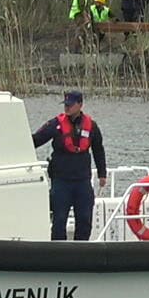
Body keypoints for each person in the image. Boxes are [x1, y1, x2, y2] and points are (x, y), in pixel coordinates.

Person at [31, 90, 108, 241]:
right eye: (65, 104)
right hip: (61, 181)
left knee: (85, 219)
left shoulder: (91, 126)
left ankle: (82, 250)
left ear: (80, 105)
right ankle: (58, 250)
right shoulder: (55, 125)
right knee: (59, 221)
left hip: (82, 181)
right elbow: (36, 140)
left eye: (70, 105)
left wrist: (102, 174)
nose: (67, 107)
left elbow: (98, 150)